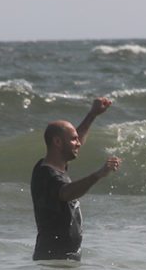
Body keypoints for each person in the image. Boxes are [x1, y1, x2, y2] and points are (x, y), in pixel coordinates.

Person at [31, 97, 121, 261]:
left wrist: (92, 115)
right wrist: (98, 175)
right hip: (54, 259)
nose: (78, 143)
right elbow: (65, 193)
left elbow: (76, 138)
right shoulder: (46, 173)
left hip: (65, 259)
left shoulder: (58, 166)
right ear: (57, 142)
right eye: (73, 140)